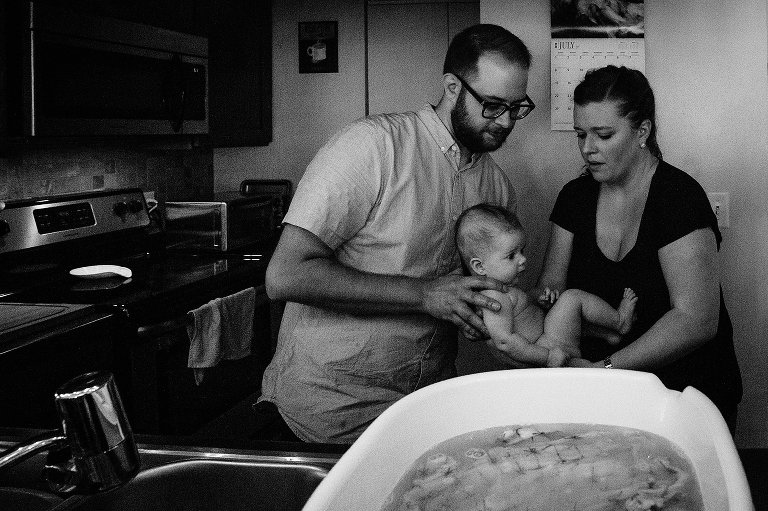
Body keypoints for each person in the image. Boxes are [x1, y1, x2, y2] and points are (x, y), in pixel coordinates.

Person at [257, 24, 537, 443]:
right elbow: (285, 276)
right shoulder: (371, 147)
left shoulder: (496, 186)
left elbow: (467, 290)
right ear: (452, 87)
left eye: (517, 108)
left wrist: (481, 314)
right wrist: (425, 294)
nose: (506, 121)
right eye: (494, 105)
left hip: (422, 407)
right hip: (328, 409)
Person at [532, 65, 742, 432]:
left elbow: (696, 320)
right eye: (580, 134)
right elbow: (552, 290)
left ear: (642, 131)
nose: (587, 148)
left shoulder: (679, 198)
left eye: (603, 134)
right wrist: (517, 313)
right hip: (602, 392)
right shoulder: (575, 198)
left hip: (684, 390)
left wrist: (608, 368)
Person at [455, 203, 637, 368]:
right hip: (545, 346)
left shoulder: (503, 291)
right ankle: (618, 321)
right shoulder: (493, 298)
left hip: (547, 340)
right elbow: (504, 342)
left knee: (578, 359)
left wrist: (538, 300)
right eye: (511, 256)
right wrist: (547, 356)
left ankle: (606, 335)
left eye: (522, 251)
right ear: (479, 266)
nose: (523, 259)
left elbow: (522, 314)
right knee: (571, 298)